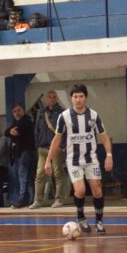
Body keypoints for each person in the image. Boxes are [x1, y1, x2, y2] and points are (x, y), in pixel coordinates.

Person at [44, 84, 113, 234]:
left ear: (86, 98)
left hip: (91, 159)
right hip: (73, 160)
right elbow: (57, 139)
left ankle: (99, 221)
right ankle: (80, 216)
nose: (78, 99)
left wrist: (109, 155)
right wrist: (48, 160)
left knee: (97, 190)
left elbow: (104, 136)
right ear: (71, 98)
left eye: (81, 96)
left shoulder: (94, 115)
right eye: (75, 97)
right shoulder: (64, 116)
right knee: (80, 190)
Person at [30, 90, 67, 209]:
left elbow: (64, 131)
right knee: (39, 174)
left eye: (53, 97)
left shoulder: (62, 113)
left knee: (58, 173)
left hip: (56, 148)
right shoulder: (41, 112)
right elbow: (37, 130)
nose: (51, 99)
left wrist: (62, 146)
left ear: (56, 99)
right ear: (47, 99)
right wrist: (37, 144)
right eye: (49, 97)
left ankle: (59, 199)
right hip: (42, 148)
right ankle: (37, 200)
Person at [6, 104, 36, 208]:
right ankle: (30, 199)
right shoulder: (17, 123)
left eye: (19, 110)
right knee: (27, 177)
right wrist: (10, 131)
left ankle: (22, 198)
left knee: (23, 176)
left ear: (23, 111)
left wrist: (12, 132)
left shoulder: (25, 121)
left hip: (25, 152)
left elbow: (16, 131)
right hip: (21, 153)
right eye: (14, 111)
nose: (17, 113)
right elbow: (7, 131)